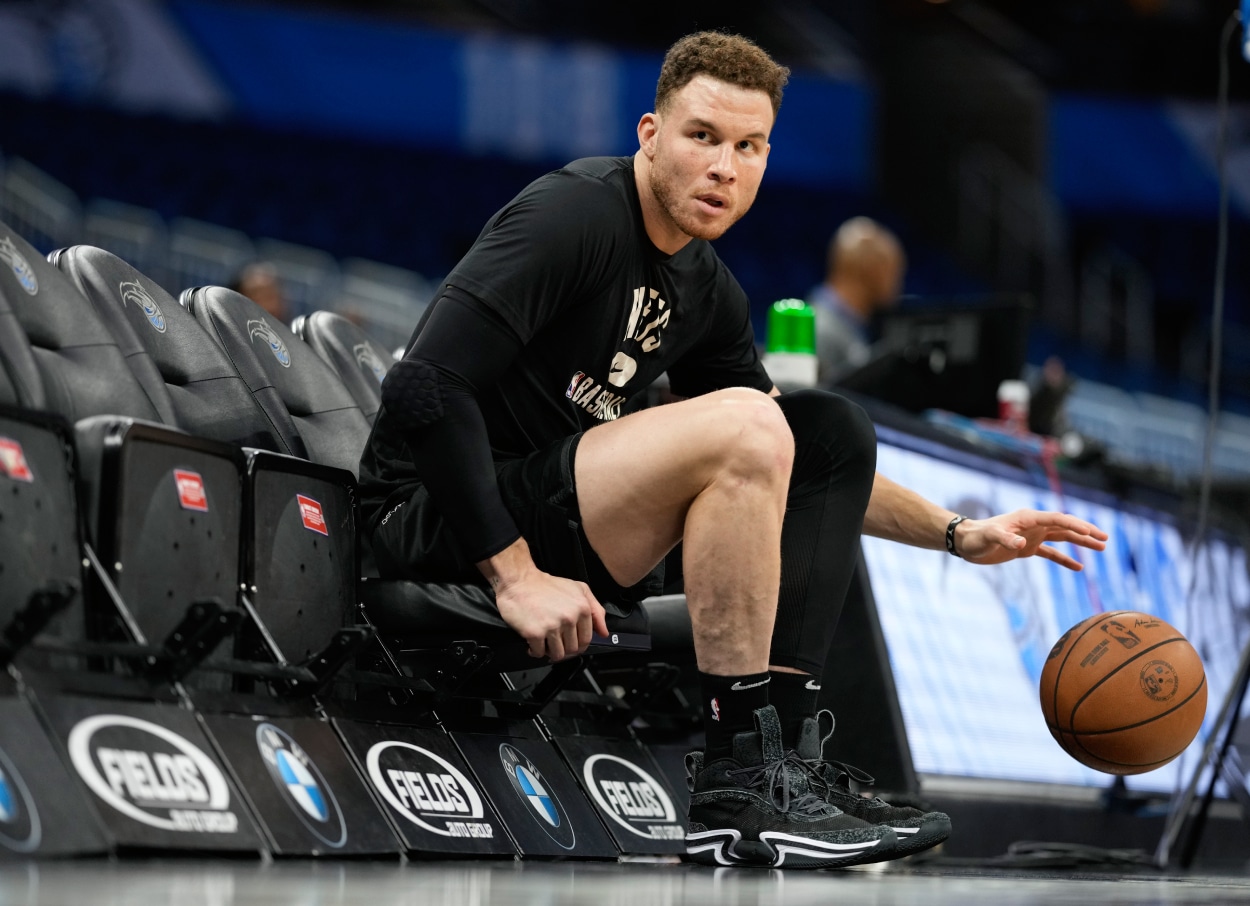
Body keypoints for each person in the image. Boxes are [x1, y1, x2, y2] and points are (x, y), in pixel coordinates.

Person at [359, 31, 1108, 870]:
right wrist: (514, 574)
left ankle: (777, 758)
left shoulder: (705, 287)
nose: (725, 167)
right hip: (435, 519)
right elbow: (422, 387)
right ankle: (738, 780)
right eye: (702, 137)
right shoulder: (574, 214)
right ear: (650, 134)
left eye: (748, 147)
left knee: (827, 431)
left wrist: (956, 534)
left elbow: (796, 452)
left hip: (562, 514)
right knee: (755, 423)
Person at [806, 216, 906, 382]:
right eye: (895, 273)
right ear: (874, 272)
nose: (898, 285)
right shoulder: (820, 331)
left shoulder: (848, 325)